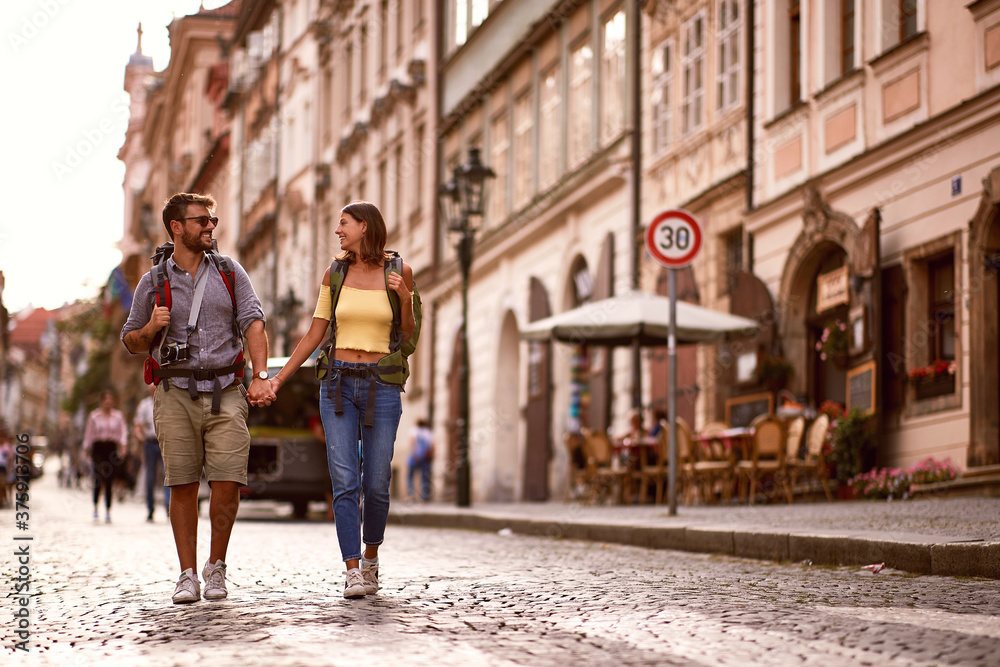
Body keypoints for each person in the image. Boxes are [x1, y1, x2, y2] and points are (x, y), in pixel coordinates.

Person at [122, 192, 275, 604]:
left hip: (226, 391)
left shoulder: (229, 271)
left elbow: (254, 324)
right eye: (201, 221)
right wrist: (152, 327)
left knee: (228, 482)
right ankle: (187, 574)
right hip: (175, 393)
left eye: (212, 220)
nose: (210, 226)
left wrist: (260, 376)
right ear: (177, 228)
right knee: (183, 484)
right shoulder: (153, 282)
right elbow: (131, 341)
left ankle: (216, 567)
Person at [269, 201, 414, 599]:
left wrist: (404, 299)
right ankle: (351, 568)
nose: (337, 230)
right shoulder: (335, 274)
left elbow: (409, 337)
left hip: (381, 386)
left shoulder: (398, 272)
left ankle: (371, 558)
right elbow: (315, 334)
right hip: (337, 385)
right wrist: (278, 379)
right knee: (345, 480)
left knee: (378, 483)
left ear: (364, 227)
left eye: (344, 223)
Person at [81, 389, 128, 523]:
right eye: (106, 401)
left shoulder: (118, 416)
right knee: (98, 477)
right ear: (101, 402)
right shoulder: (94, 416)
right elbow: (89, 434)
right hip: (98, 448)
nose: (108, 404)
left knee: (109, 479)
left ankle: (108, 509)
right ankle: (95, 506)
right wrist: (86, 448)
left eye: (110, 401)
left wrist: (123, 446)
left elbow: (122, 432)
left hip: (111, 448)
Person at [134, 383, 170, 522]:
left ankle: (168, 507)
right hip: (150, 442)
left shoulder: (167, 402)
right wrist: (140, 437)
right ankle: (150, 509)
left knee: (168, 475)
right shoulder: (144, 406)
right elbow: (138, 425)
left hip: (165, 442)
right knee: (150, 476)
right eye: (152, 388)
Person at [406, 418, 434, 502]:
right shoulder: (428, 432)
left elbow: (412, 443)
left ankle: (411, 495)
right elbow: (433, 445)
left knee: (410, 476)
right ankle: (424, 496)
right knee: (424, 477)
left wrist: (413, 453)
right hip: (425, 457)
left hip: (415, 456)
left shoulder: (413, 431)